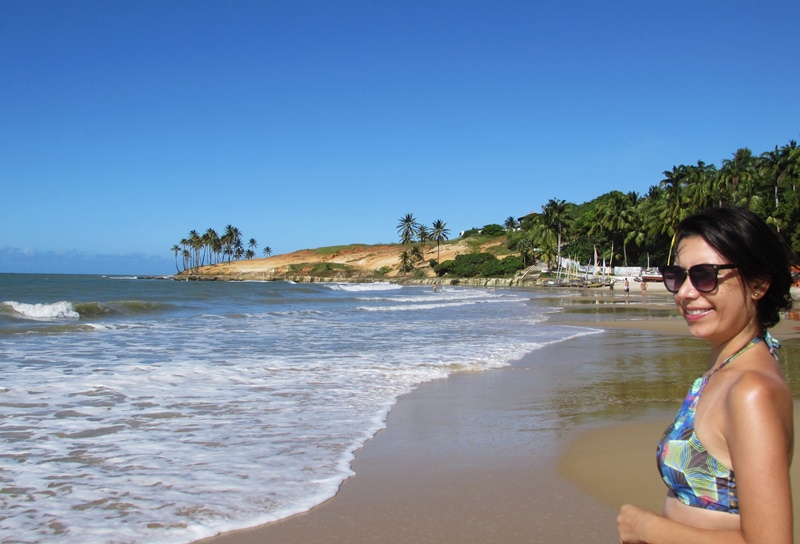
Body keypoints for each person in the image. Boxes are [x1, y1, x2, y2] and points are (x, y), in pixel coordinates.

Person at [618, 207, 794, 544]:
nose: (684, 292)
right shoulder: (727, 367)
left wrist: (649, 529)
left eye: (705, 275)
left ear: (758, 284)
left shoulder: (750, 391)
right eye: (677, 276)